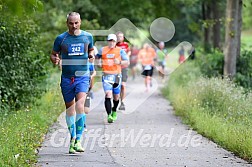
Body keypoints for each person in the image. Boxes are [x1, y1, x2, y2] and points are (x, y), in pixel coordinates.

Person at [50, 12, 94, 154]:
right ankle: (72, 138)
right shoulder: (61, 39)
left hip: (82, 76)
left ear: (80, 22)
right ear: (67, 23)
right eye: (71, 23)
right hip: (67, 78)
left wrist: (91, 54)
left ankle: (79, 140)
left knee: (80, 105)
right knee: (70, 110)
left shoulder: (88, 37)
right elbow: (53, 53)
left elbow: (91, 49)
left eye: (76, 23)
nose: (74, 26)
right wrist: (54, 59)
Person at [96, 34, 129, 123]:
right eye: (110, 41)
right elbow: (97, 57)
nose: (111, 43)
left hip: (117, 75)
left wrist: (120, 62)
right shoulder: (103, 50)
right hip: (106, 75)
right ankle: (109, 115)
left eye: (113, 41)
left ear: (115, 42)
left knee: (116, 97)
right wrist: (98, 63)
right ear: (108, 41)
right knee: (108, 94)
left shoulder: (120, 50)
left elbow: (127, 61)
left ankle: (114, 110)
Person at [116, 31, 131, 111]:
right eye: (118, 36)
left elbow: (129, 52)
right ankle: (115, 100)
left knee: (123, 85)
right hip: (115, 68)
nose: (119, 38)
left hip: (124, 67)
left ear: (123, 37)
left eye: (121, 36)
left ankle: (122, 102)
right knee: (115, 85)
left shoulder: (126, 45)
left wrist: (127, 56)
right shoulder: (113, 45)